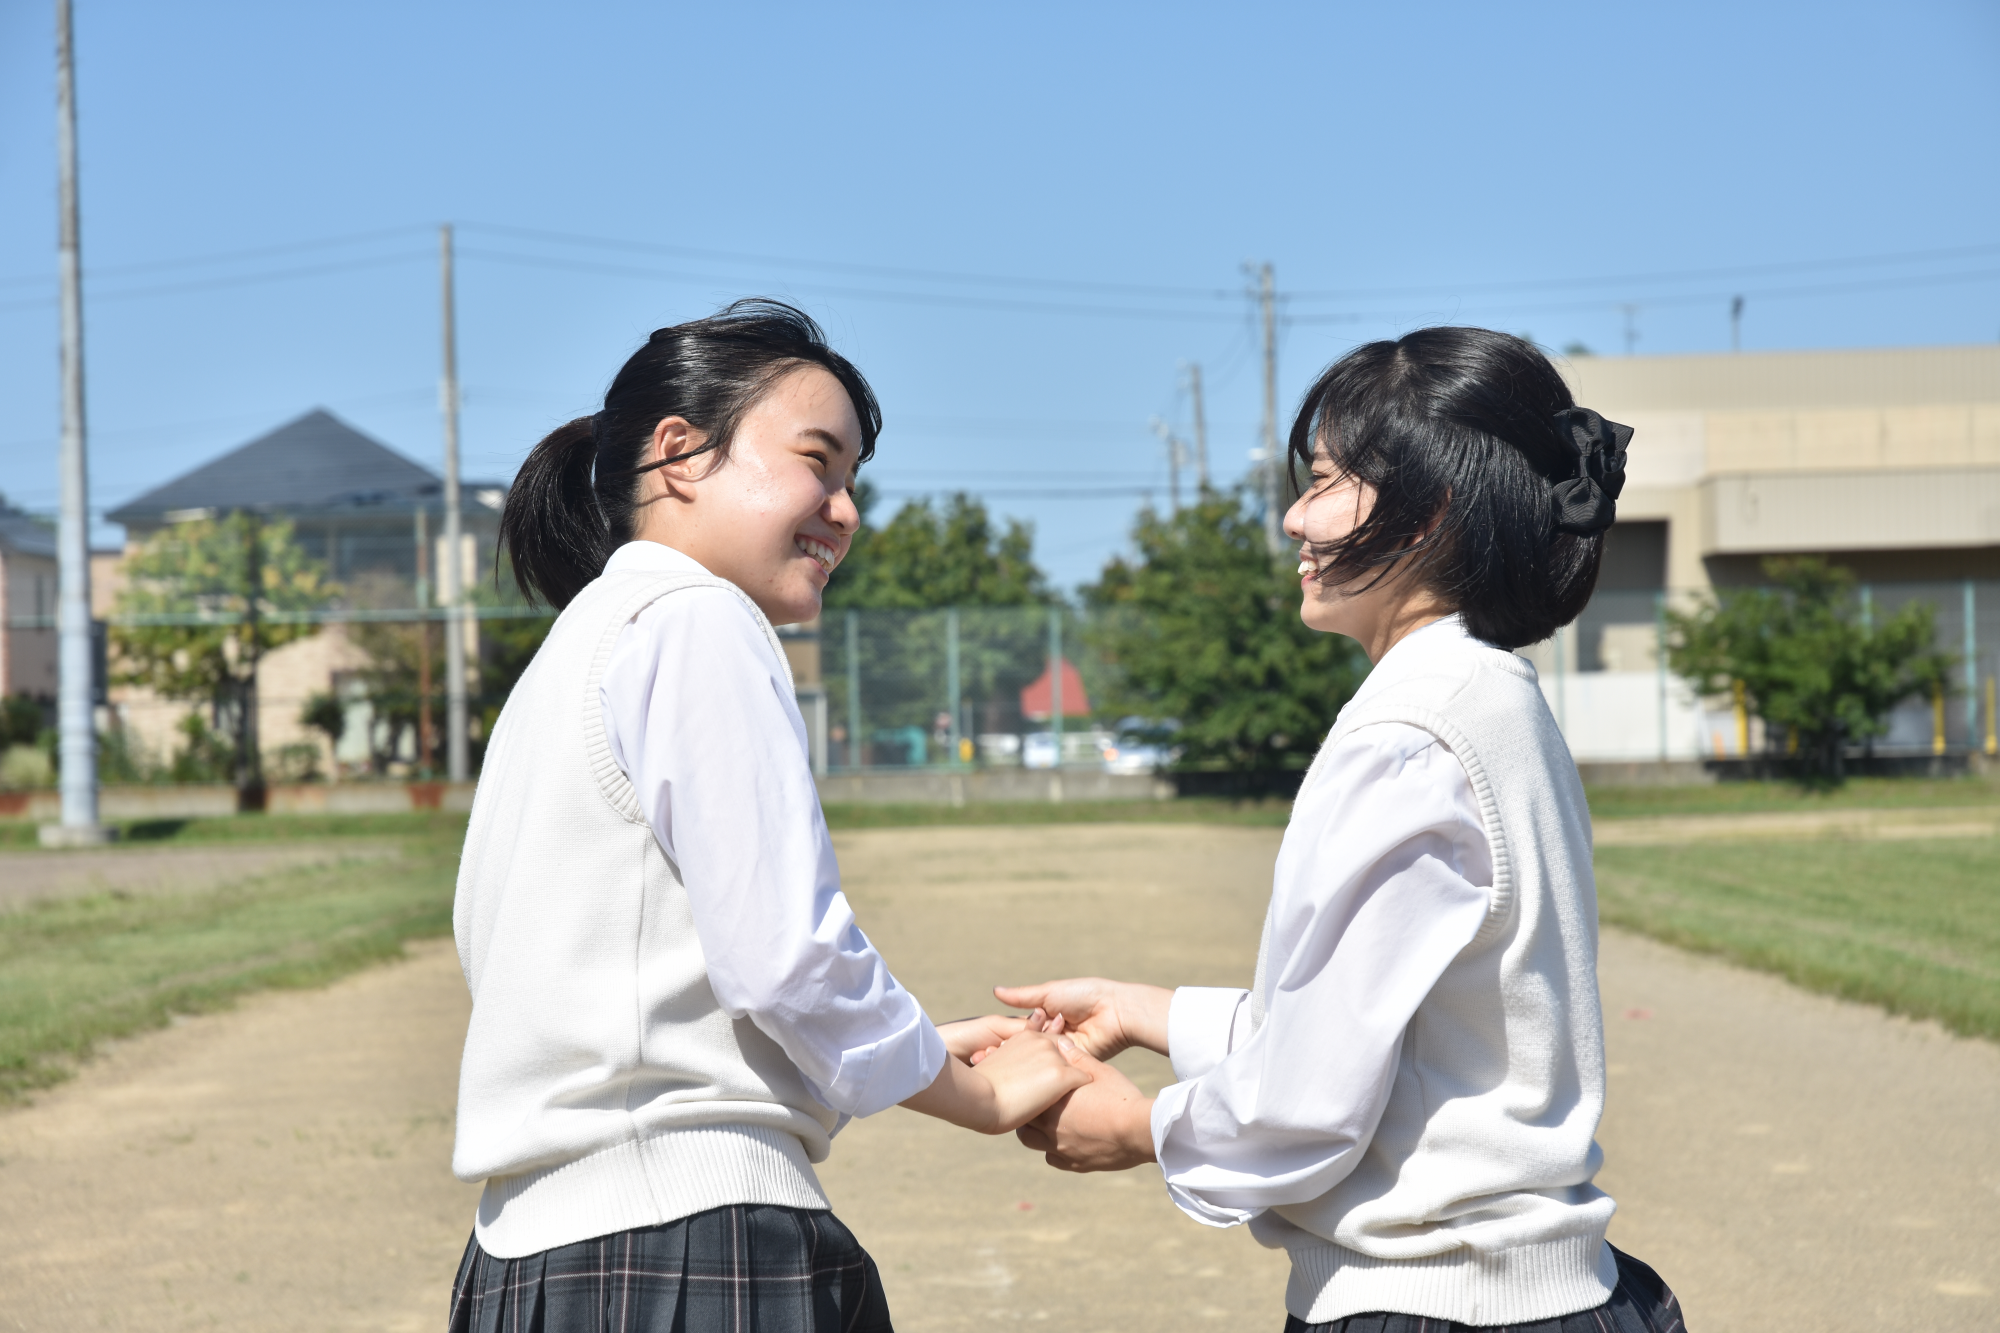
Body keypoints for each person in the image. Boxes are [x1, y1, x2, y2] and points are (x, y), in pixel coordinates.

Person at [992, 329, 1686, 1332]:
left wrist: (1140, 1125)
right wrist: (1146, 1010)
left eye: (1322, 482)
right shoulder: (1486, 695)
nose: (1292, 518)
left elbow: (1310, 1100)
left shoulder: (1407, 733)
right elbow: (1395, 1038)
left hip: (1435, 1307)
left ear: (1428, 511)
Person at [447, 300, 1087, 1333]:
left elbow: (640, 988)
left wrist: (914, 1044)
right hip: (689, 1247)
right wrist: (970, 1097)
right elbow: (784, 958)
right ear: (679, 455)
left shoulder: (577, 648)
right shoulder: (698, 617)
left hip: (533, 1263)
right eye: (815, 461)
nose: (843, 510)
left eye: (850, 481)